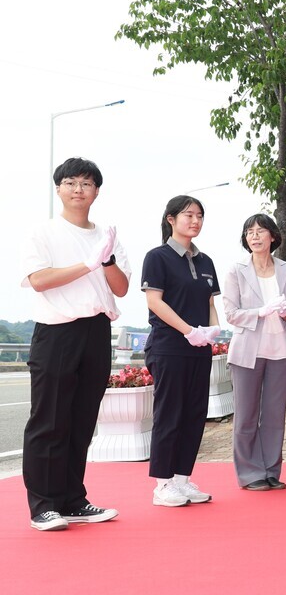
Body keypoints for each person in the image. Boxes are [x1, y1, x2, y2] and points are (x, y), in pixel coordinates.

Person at [21, 158, 130, 531]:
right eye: (71, 182)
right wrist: (87, 264)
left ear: (97, 191)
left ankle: (72, 500)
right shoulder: (45, 232)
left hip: (97, 330)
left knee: (82, 420)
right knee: (49, 421)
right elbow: (38, 280)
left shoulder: (107, 236)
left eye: (86, 183)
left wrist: (107, 258)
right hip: (57, 331)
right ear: (59, 189)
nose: (78, 189)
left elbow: (121, 288)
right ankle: (43, 506)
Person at [142, 195, 221, 507]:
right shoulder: (158, 257)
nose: (195, 221)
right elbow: (154, 301)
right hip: (169, 347)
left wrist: (213, 331)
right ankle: (162, 484)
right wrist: (188, 330)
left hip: (200, 348)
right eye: (188, 215)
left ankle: (182, 479)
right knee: (170, 414)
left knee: (194, 414)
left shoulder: (205, 261)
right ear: (171, 219)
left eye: (200, 215)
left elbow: (211, 303)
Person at [223, 214, 286, 491]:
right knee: (246, 415)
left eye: (260, 231)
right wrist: (260, 312)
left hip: (281, 349)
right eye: (249, 232)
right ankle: (249, 473)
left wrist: (284, 313)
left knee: (274, 415)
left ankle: (270, 470)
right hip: (247, 351)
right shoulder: (237, 270)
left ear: (272, 236)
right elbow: (231, 314)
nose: (254, 236)